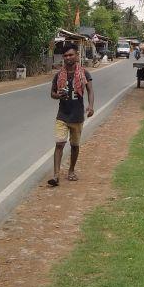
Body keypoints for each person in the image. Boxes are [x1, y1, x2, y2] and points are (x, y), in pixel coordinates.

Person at [48, 44, 94, 187]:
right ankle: (56, 176)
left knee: (74, 145)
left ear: (76, 55)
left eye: (71, 55)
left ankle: (71, 170)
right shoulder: (58, 75)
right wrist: (58, 95)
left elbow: (90, 90)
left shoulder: (84, 73)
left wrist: (91, 106)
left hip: (77, 116)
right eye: (66, 55)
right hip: (62, 115)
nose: (68, 57)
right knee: (59, 144)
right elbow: (52, 94)